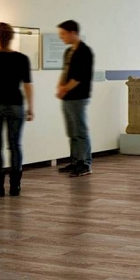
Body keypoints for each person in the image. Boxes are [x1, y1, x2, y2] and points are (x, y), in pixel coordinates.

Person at [0, 23, 34, 197]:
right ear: (12, 37)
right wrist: (31, 108)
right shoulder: (22, 58)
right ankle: (15, 186)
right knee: (15, 145)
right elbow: (27, 85)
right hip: (16, 105)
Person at [56, 20, 94, 177]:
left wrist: (64, 89)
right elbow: (65, 72)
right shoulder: (68, 52)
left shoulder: (84, 51)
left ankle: (85, 163)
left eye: (63, 34)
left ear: (72, 32)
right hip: (68, 97)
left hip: (78, 97)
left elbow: (79, 77)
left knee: (80, 131)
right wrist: (60, 86)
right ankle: (75, 160)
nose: (61, 37)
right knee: (72, 131)